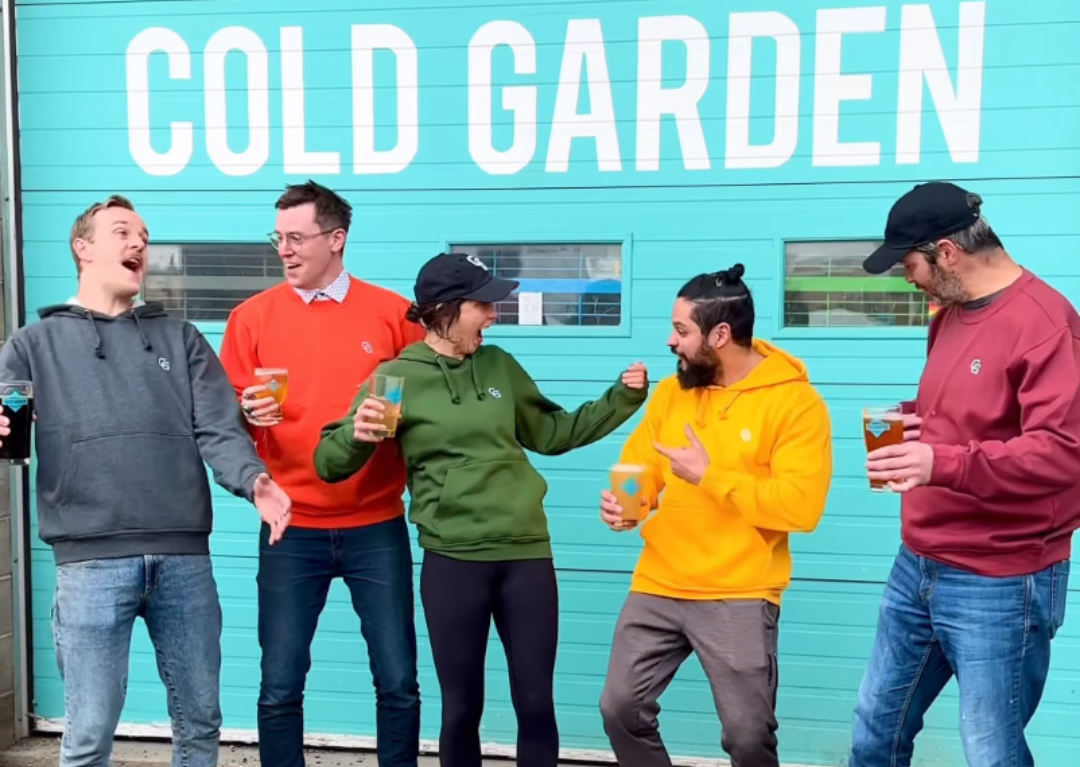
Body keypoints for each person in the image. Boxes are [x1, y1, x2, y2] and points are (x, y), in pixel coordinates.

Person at [313, 251, 650, 767]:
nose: (494, 315)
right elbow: (329, 463)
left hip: (525, 555)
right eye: (482, 305)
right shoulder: (396, 379)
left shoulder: (499, 366)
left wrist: (620, 399)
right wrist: (357, 436)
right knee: (461, 708)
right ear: (444, 310)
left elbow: (551, 433)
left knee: (535, 704)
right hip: (454, 561)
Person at [0, 195, 292, 767]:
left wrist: (253, 480)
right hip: (89, 562)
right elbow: (8, 424)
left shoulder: (181, 338)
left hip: (183, 561)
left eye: (144, 236)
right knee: (89, 732)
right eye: (122, 232)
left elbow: (217, 428)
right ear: (83, 249)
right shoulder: (32, 345)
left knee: (200, 721)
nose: (139, 244)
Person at [849, 182, 1077, 767]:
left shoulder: (1047, 325)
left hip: (1000, 577)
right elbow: (964, 415)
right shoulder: (948, 316)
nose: (908, 279)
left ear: (947, 252)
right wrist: (912, 424)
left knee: (992, 753)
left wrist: (939, 461)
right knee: (874, 736)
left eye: (910, 265)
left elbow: (1062, 452)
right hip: (918, 562)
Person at [218, 181, 424, 767]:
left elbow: (421, 409)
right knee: (279, 685)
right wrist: (244, 412)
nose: (284, 250)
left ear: (336, 239)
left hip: (376, 524)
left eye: (297, 238)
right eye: (278, 238)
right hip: (290, 528)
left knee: (399, 681)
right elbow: (221, 420)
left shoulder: (394, 315)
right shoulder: (251, 318)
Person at [597, 263, 833, 767]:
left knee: (748, 738)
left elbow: (801, 507)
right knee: (620, 709)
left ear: (720, 335)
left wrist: (712, 476)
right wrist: (627, 507)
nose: (671, 341)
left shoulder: (796, 404)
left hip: (739, 591)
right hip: (659, 581)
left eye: (681, 331)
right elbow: (641, 468)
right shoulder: (671, 393)